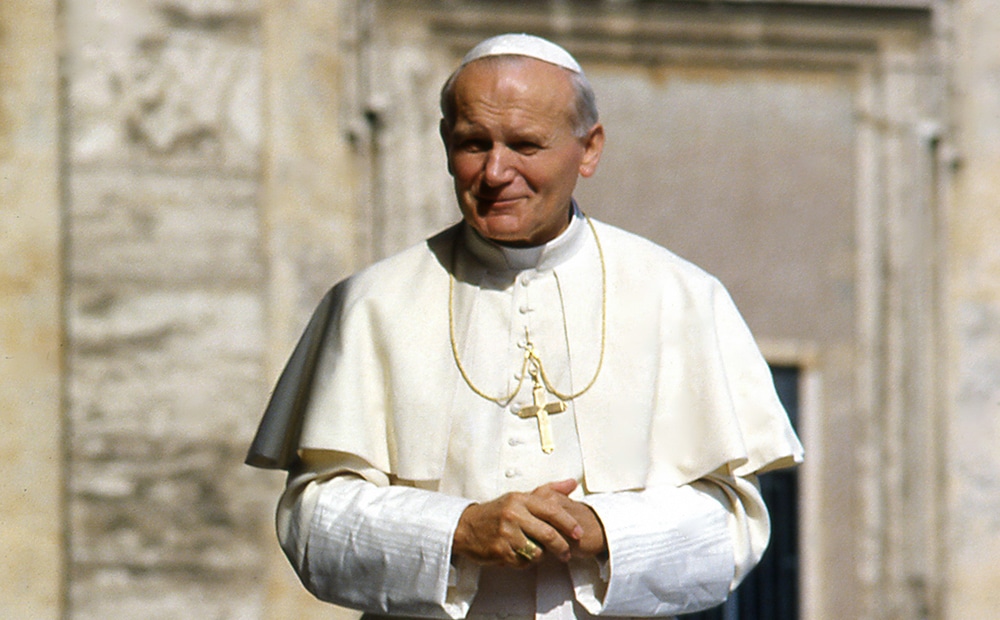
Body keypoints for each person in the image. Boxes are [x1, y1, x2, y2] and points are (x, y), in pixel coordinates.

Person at [246, 33, 803, 620]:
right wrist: (457, 530)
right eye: (472, 144)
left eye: (525, 145)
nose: (494, 171)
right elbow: (312, 522)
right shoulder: (370, 303)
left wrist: (605, 530)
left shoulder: (682, 297)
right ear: (444, 143)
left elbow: (732, 527)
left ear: (589, 150)